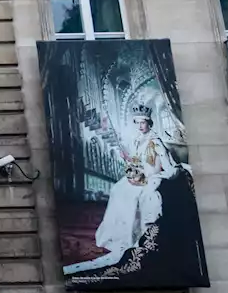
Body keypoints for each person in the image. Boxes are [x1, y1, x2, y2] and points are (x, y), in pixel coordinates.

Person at [65, 104, 176, 275]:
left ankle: (129, 237)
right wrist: (129, 159)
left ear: (149, 123)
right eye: (137, 122)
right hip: (140, 175)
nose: (140, 126)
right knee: (118, 189)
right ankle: (116, 235)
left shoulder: (156, 141)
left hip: (151, 177)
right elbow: (138, 162)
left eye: (143, 122)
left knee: (132, 195)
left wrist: (156, 176)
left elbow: (167, 166)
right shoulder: (138, 139)